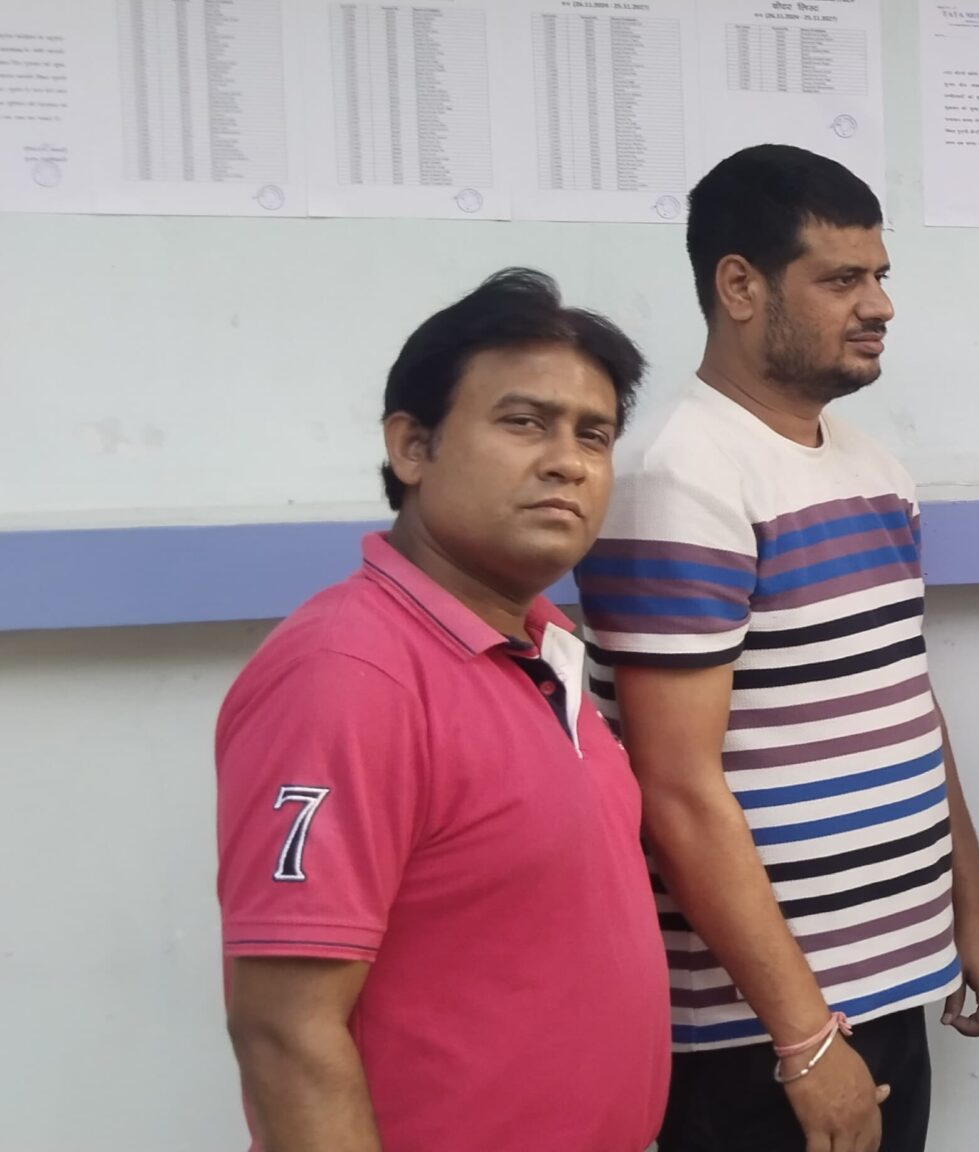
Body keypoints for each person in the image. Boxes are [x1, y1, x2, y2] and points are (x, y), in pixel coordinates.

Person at [576, 144, 979, 1152]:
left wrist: (970, 901)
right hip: (761, 1034)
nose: (879, 306)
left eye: (881, 276)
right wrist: (805, 1041)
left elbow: (903, 700)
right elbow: (676, 790)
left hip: (887, 987)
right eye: (841, 280)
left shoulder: (874, 470)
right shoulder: (681, 476)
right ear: (740, 286)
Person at [215, 269, 665, 1151]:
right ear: (412, 447)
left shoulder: (543, 650)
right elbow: (285, 1032)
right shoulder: (349, 673)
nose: (568, 461)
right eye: (524, 421)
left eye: (595, 434)